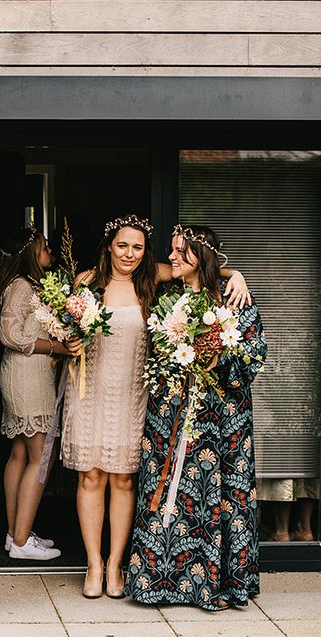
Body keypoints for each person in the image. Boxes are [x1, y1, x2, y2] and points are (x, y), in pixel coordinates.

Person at [63, 215, 250, 599]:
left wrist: (238, 274)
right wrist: (69, 342)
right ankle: (94, 564)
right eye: (122, 246)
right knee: (91, 476)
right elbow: (68, 333)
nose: (129, 254)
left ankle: (116, 565)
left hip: (134, 392)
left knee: (124, 478)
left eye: (137, 247)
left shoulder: (153, 281)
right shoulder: (86, 284)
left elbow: (204, 262)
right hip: (90, 390)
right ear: (108, 247)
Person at [125, 225, 266, 611]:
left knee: (218, 497)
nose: (171, 257)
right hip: (170, 412)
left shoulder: (235, 300)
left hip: (222, 417)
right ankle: (160, 583)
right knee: (167, 493)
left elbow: (254, 357)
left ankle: (217, 586)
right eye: (171, 250)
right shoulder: (169, 298)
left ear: (198, 257)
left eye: (179, 252)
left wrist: (215, 353)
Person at [0, 226, 70, 560]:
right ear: (30, 253)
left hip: (26, 375)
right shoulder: (21, 286)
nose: (49, 251)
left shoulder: (26, 287)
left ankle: (15, 535)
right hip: (26, 378)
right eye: (45, 247)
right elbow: (9, 335)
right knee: (42, 457)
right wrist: (58, 346)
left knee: (21, 454)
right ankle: (23, 542)